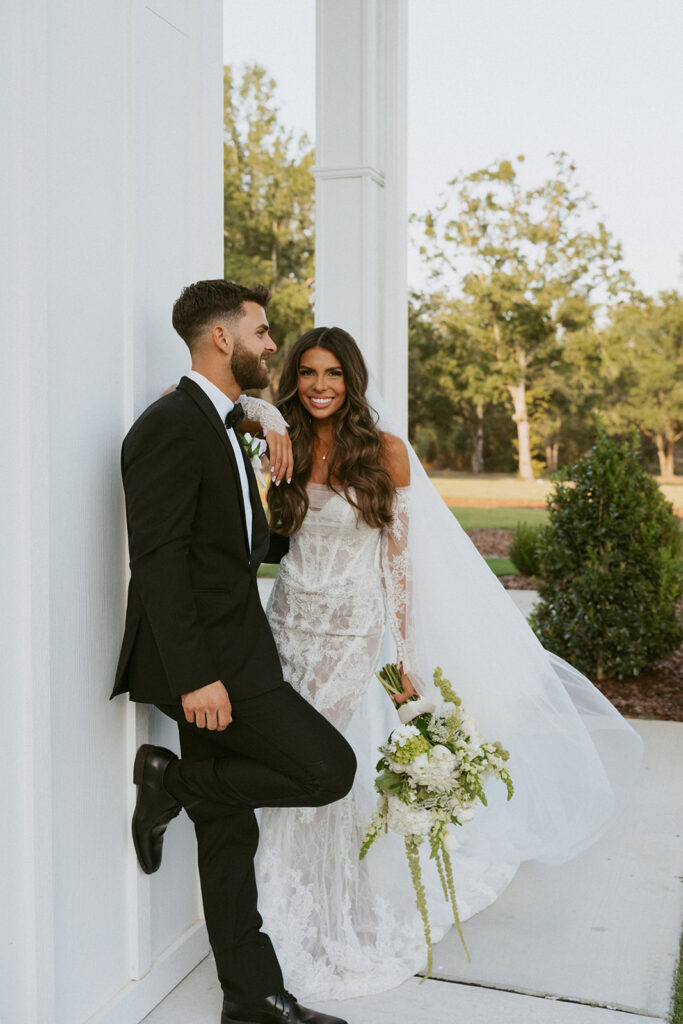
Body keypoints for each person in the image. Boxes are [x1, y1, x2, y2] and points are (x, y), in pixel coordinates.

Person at [254, 326, 643, 1001]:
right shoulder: (277, 443)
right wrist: (257, 411)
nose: (320, 386)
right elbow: (197, 405)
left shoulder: (384, 453)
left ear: (353, 381)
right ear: (293, 378)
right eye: (308, 373)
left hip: (349, 632)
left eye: (333, 374)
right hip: (284, 624)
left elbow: (399, 566)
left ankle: (314, 913)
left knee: (315, 761)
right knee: (280, 754)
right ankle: (272, 899)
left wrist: (403, 659)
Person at [111, 281, 355, 1024]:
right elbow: (157, 562)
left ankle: (250, 997)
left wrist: (261, 430)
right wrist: (195, 680)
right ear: (222, 338)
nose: (271, 344)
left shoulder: (228, 420)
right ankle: (174, 783)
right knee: (327, 769)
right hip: (213, 668)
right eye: (261, 331)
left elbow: (244, 542)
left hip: (239, 650)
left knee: (229, 832)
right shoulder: (169, 426)